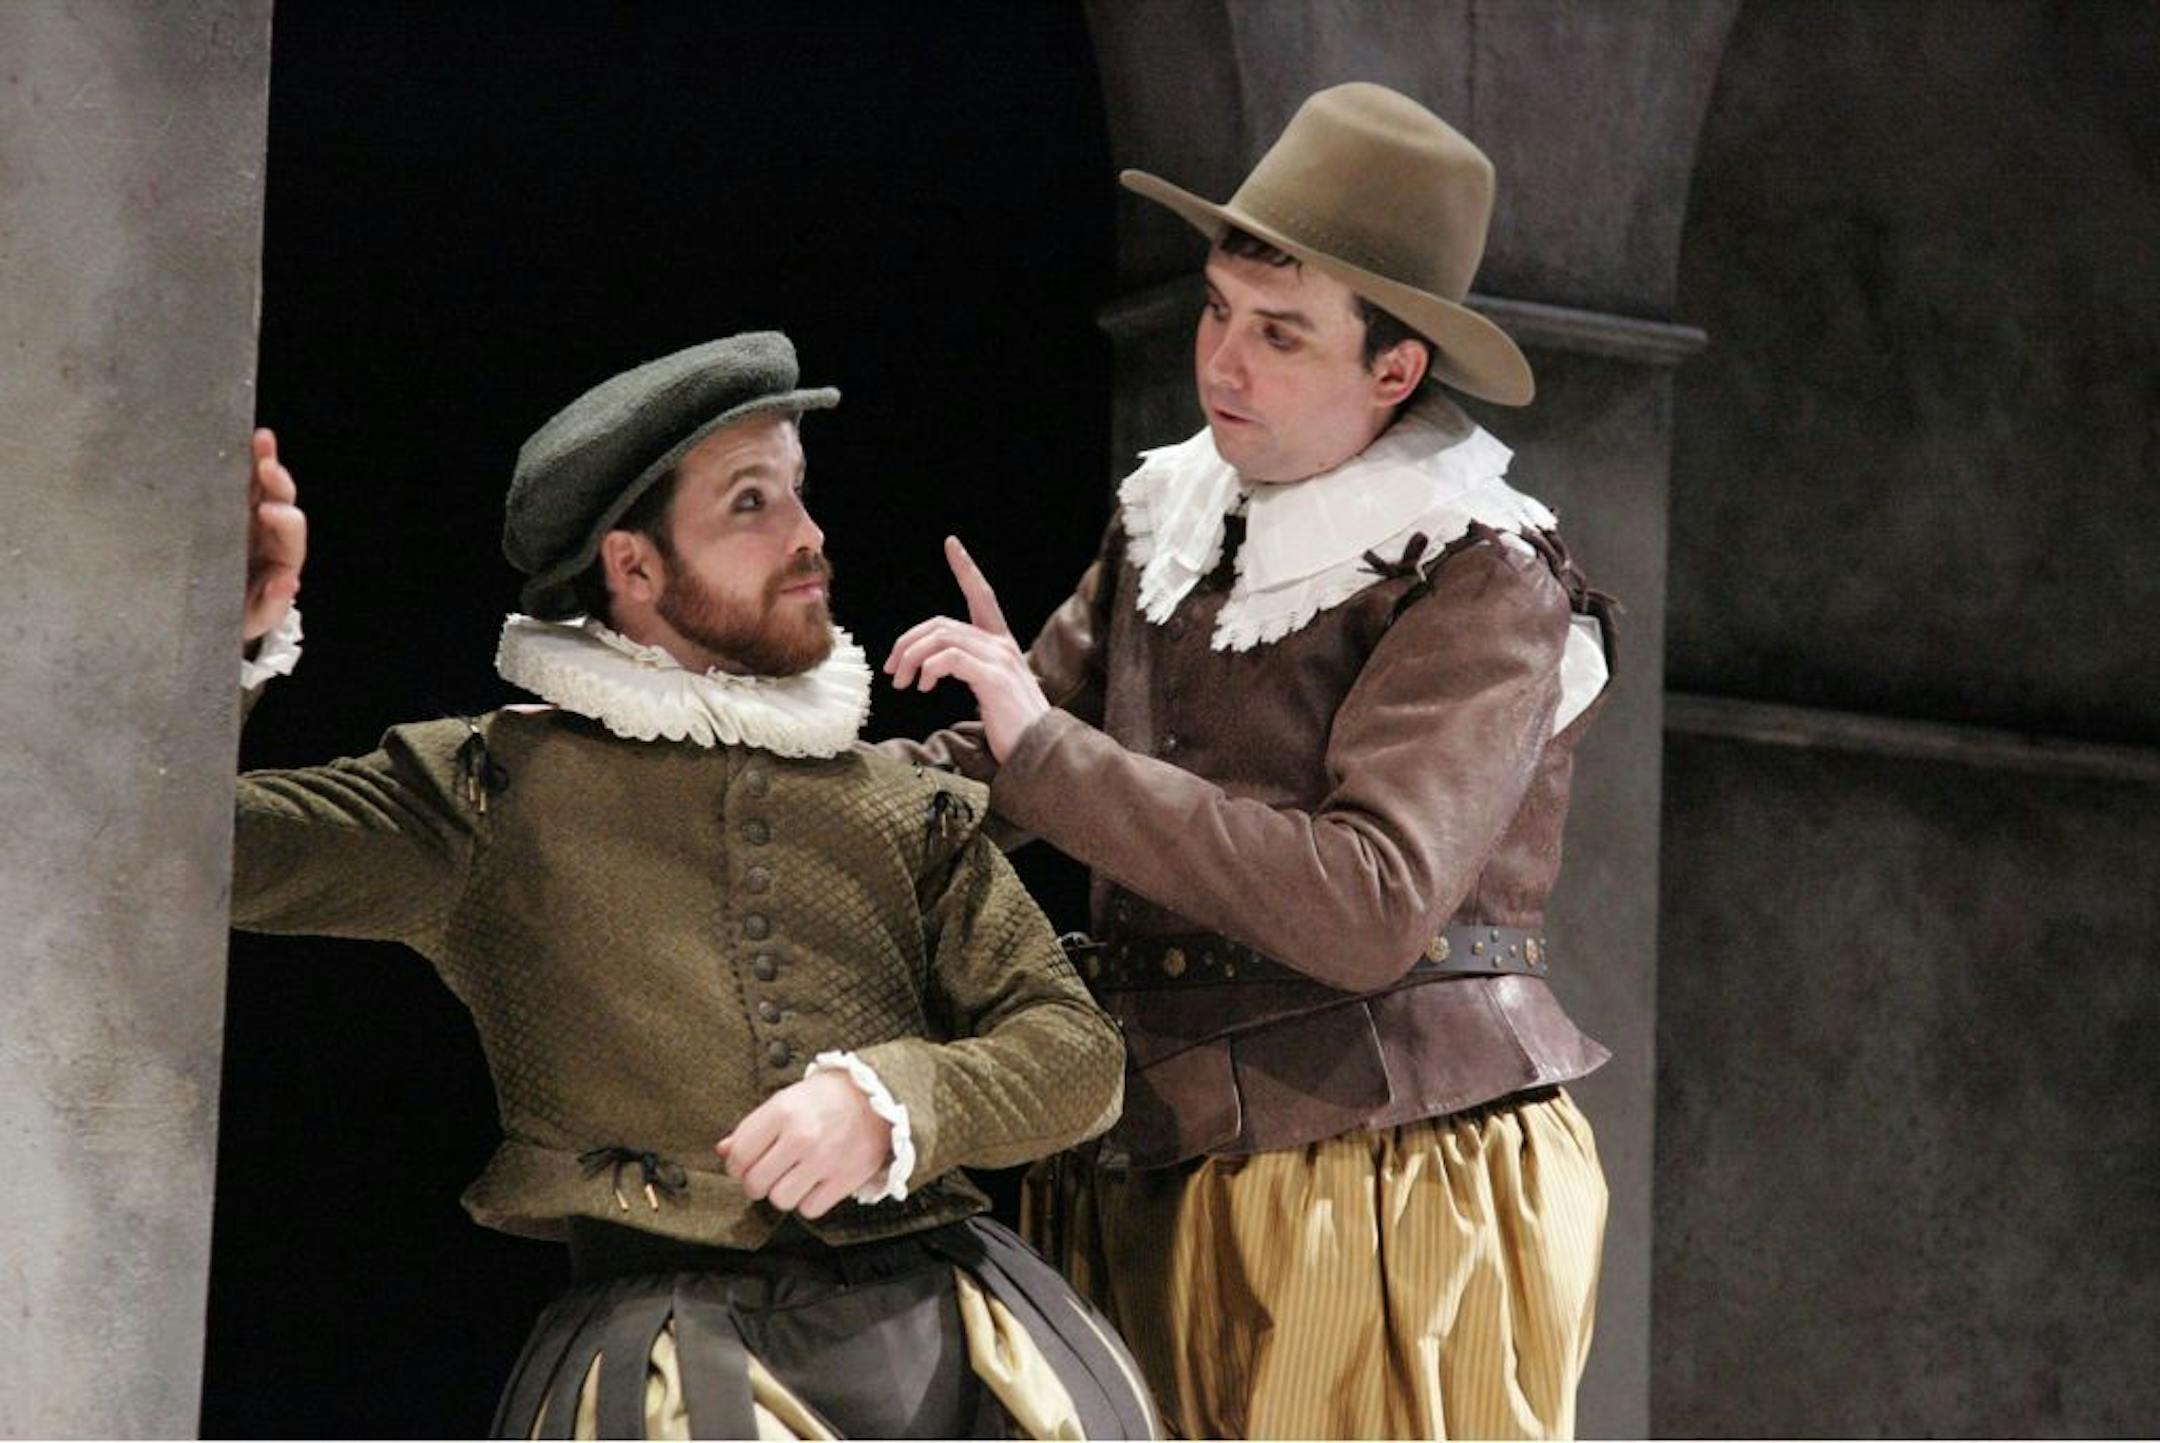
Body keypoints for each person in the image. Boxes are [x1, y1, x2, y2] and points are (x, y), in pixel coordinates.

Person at [234, 332, 1157, 1440]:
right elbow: (207, 858)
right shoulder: (491, 795)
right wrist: (215, 641)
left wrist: (895, 1101)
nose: (809, 537)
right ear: (633, 566)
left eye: (800, 496)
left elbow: (1075, 1052)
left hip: (956, 1337)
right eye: (751, 504)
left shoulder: (896, 802)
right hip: (672, 1357)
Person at [881, 83, 1615, 1439]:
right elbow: (995, 759)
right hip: (1150, 1140)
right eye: (1219, 311)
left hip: (1382, 1165)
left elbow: (1368, 901)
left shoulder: (1478, 570)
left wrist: (1044, 754)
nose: (1225, 361)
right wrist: (762, 793)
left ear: (1394, 370)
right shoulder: (1174, 515)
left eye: (1281, 335)